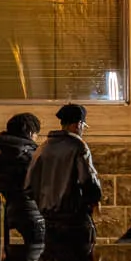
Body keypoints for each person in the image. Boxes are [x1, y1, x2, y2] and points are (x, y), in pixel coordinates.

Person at [27, 103, 102, 246]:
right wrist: (94, 201)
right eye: (83, 126)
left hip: (49, 222)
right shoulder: (78, 146)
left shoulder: (43, 148)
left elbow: (29, 186)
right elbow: (88, 180)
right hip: (75, 221)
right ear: (78, 124)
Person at [0, 113, 45, 246]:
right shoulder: (28, 153)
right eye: (36, 134)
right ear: (31, 132)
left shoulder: (0, 151)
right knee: (39, 254)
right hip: (33, 212)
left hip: (12, 210)